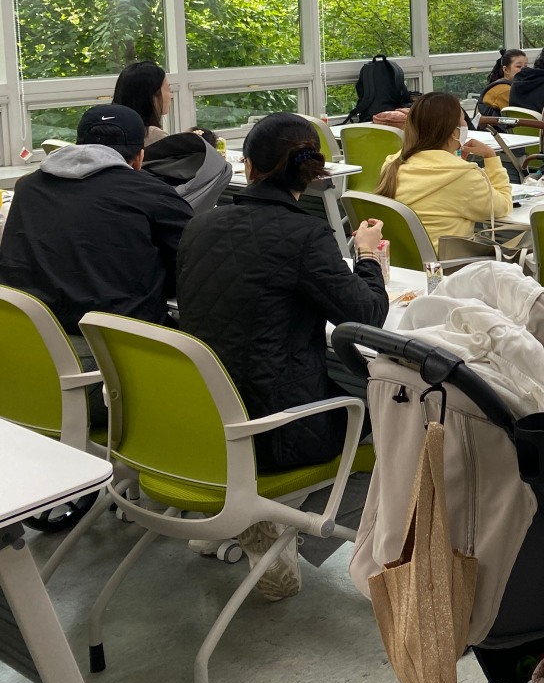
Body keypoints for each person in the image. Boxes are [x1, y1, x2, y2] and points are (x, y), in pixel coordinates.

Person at [175, 112, 388, 600]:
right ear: (314, 173)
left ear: (247, 168)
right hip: (281, 432)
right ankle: (285, 524)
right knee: (400, 408)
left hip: (207, 420)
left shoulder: (199, 226)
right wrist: (370, 259)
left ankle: (257, 515)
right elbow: (366, 314)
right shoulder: (304, 237)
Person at [0, 104, 193, 338]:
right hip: (116, 344)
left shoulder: (27, 188)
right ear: (139, 158)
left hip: (29, 339)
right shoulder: (153, 194)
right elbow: (191, 270)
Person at [375, 92, 513, 248]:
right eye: (463, 120)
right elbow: (503, 207)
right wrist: (490, 156)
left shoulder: (392, 163)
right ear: (454, 132)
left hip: (397, 265)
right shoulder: (462, 175)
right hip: (447, 266)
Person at [112, 60, 171, 145]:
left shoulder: (114, 132)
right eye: (168, 89)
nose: (170, 94)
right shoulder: (154, 136)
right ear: (153, 95)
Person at [477, 49, 527, 116]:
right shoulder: (504, 90)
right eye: (518, 66)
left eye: (526, 66)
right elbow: (522, 115)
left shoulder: (511, 86)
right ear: (506, 70)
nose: (524, 69)